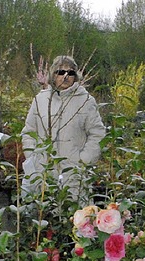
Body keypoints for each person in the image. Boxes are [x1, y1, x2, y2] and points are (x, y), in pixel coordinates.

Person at [21, 55, 105, 202]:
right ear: (53, 74)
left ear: (76, 77)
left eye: (70, 72)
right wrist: (32, 157)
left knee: (74, 218)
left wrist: (83, 161)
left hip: (74, 176)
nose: (65, 76)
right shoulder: (40, 100)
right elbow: (29, 132)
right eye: (60, 72)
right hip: (43, 173)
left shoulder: (86, 101)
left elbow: (97, 134)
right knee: (42, 217)